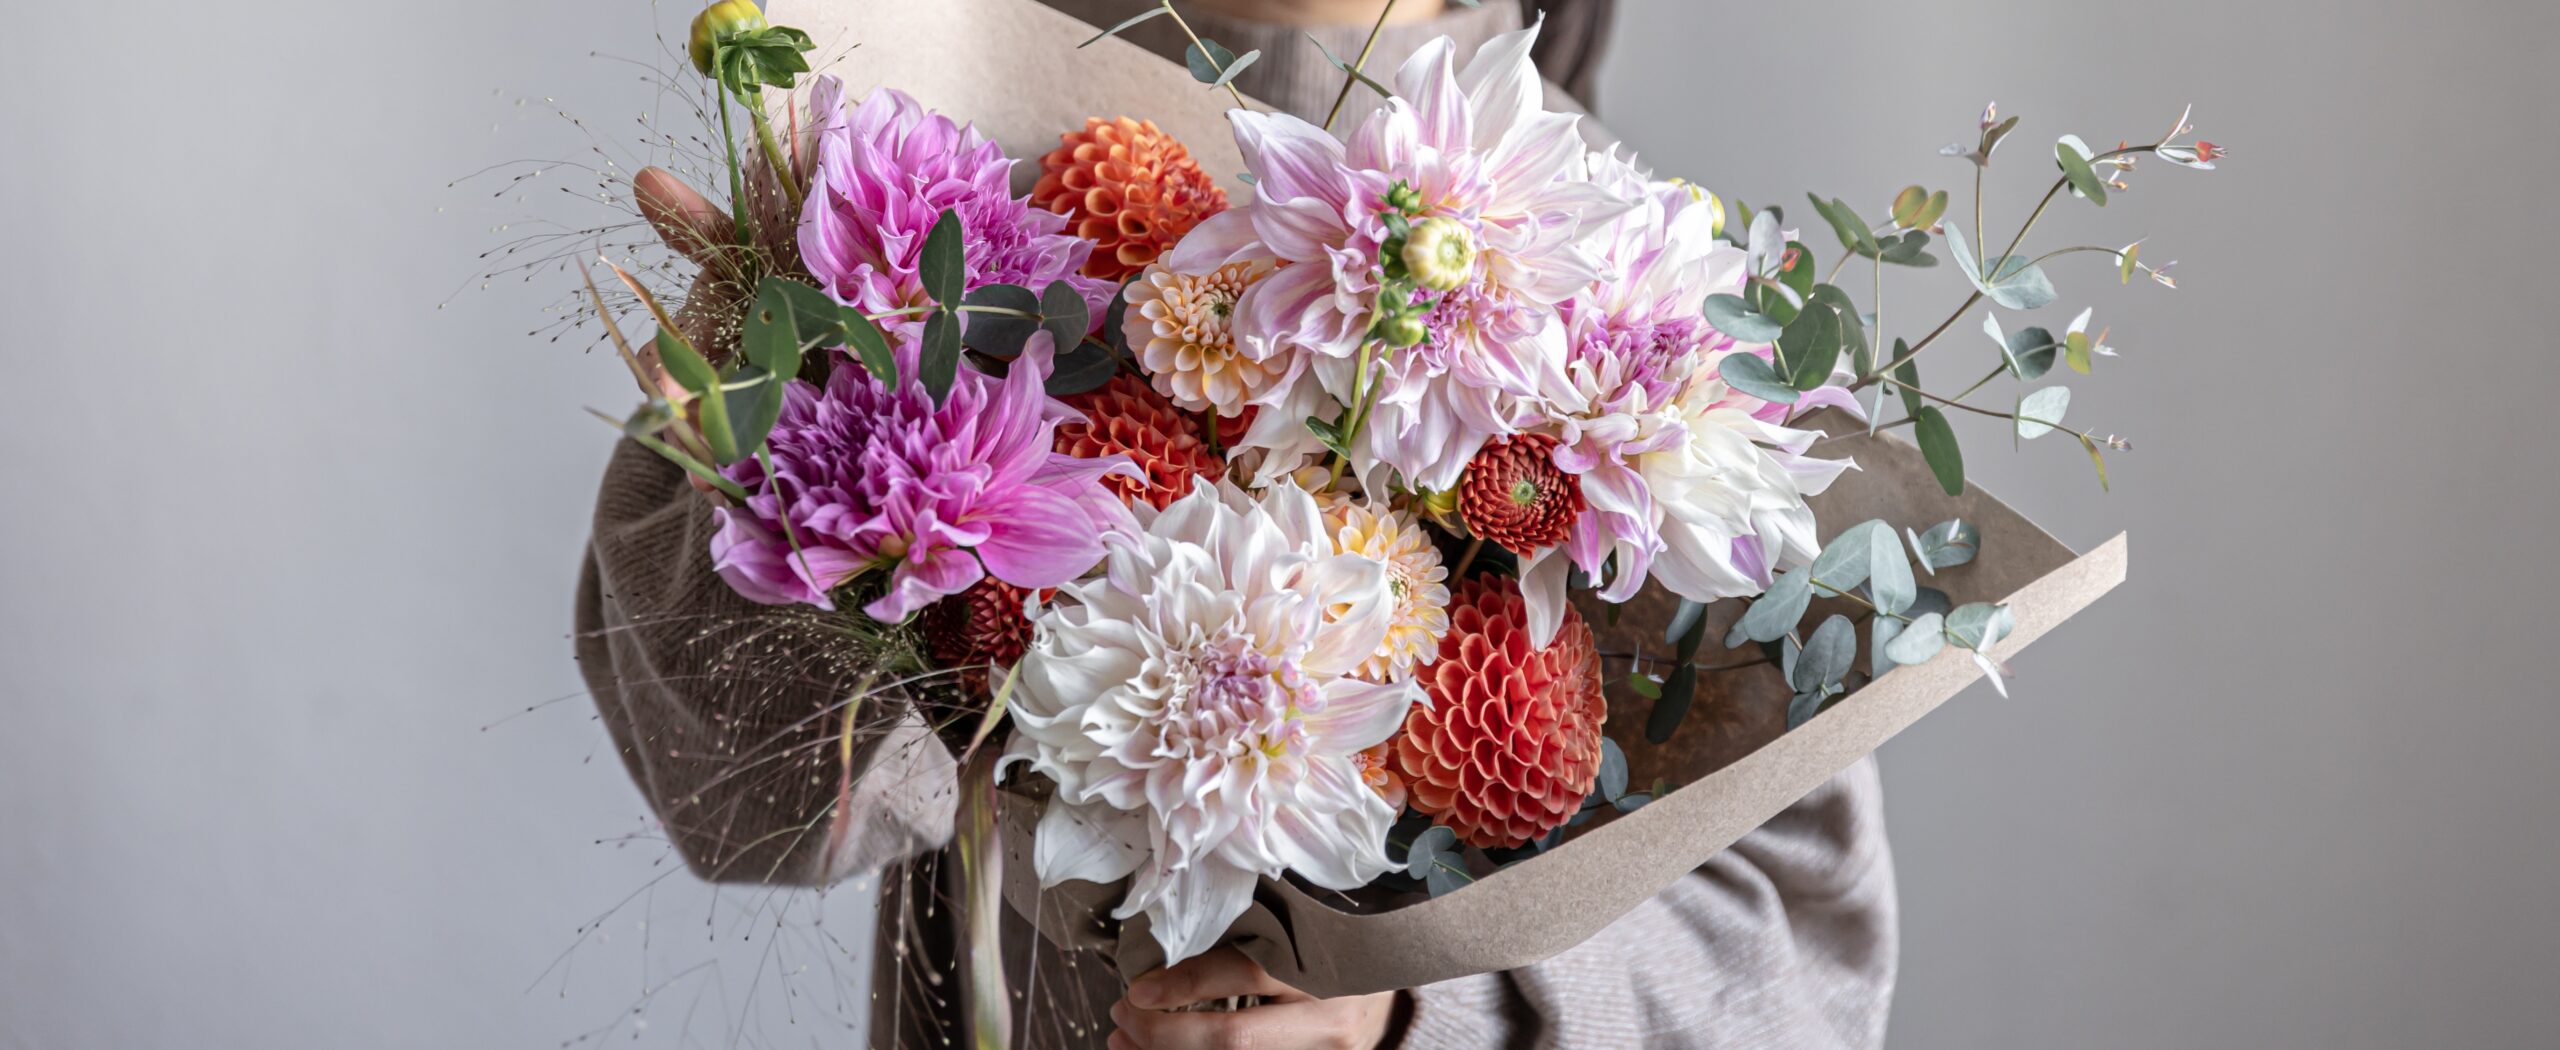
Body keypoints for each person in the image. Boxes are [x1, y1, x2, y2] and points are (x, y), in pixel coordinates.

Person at [577, 2, 1897, 1046]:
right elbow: (750, 799)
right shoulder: (939, 193)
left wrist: (1411, 1006)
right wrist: (756, 415)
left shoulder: (1644, 302)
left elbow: (1802, 957)